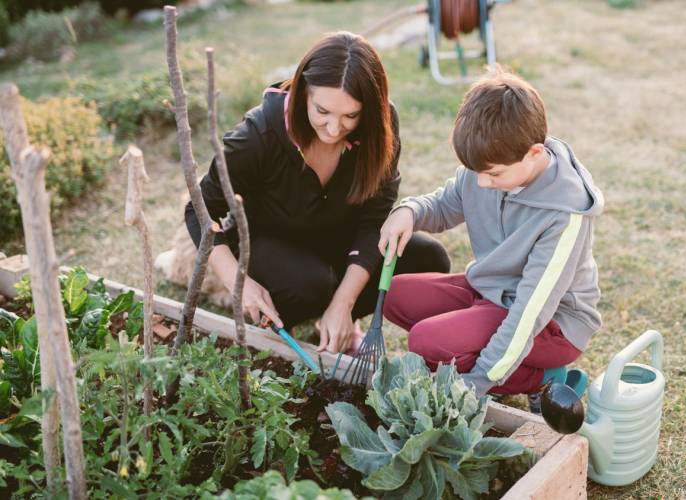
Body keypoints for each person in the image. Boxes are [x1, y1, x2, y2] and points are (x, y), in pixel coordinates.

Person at [184, 32, 450, 353]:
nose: (334, 129)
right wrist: (238, 283)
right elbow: (199, 210)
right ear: (303, 93)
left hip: (338, 242)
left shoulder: (380, 126)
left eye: (350, 115)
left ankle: (338, 319)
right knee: (312, 285)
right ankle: (290, 317)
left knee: (427, 258)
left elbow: (373, 220)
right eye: (322, 111)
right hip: (272, 248)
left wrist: (345, 303)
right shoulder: (259, 135)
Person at [378, 69, 604, 398]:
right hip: (490, 291)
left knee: (426, 341)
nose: (482, 183)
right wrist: (408, 211)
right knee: (394, 296)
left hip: (551, 324)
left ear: (535, 154)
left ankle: (542, 377)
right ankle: (481, 345)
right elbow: (445, 205)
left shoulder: (565, 215)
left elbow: (530, 312)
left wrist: (478, 381)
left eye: (493, 174)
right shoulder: (490, 164)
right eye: (476, 172)